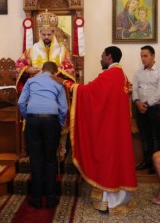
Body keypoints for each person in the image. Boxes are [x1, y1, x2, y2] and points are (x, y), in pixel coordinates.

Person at [51, 46, 137, 214]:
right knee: (116, 160)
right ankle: (114, 198)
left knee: (108, 160)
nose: (101, 59)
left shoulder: (110, 75)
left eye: (102, 56)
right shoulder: (122, 75)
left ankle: (110, 201)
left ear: (109, 57)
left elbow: (86, 92)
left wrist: (64, 82)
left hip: (109, 128)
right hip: (116, 127)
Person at [16, 10, 75, 160]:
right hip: (36, 92)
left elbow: (70, 68)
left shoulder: (62, 50)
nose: (47, 37)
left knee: (61, 114)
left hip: (56, 90)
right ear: (40, 33)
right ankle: (36, 152)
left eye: (49, 34)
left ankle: (60, 150)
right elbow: (19, 65)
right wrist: (28, 69)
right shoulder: (31, 50)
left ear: (54, 32)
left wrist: (57, 71)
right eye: (44, 34)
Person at [18, 61, 67, 209]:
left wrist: (29, 118)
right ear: (54, 72)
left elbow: (21, 102)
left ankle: (37, 199)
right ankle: (51, 199)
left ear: (43, 70)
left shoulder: (31, 81)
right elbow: (63, 109)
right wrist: (57, 123)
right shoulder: (57, 82)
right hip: (51, 121)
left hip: (33, 121)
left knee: (36, 159)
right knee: (50, 159)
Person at [132, 45, 160, 174]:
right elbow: (134, 89)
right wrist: (137, 102)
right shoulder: (138, 72)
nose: (143, 58)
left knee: (155, 136)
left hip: (155, 108)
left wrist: (146, 104)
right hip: (140, 108)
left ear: (153, 56)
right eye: (141, 56)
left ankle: (156, 163)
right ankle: (146, 161)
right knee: (144, 136)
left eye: (145, 56)